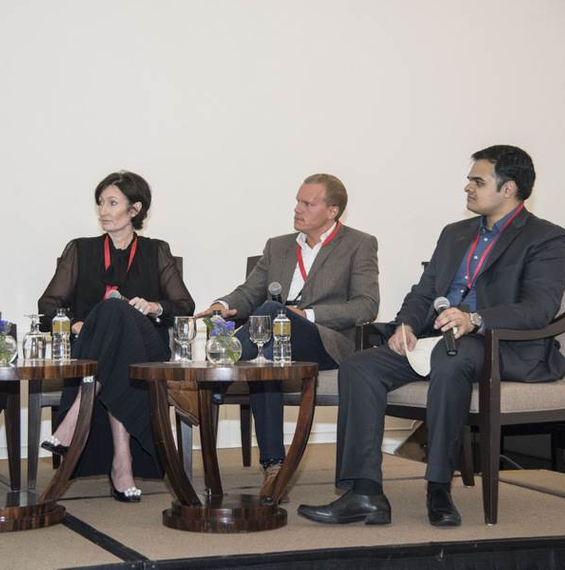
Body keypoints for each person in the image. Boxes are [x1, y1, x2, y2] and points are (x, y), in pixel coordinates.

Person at [298, 145, 565, 527]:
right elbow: (423, 292)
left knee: (451, 359)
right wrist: (406, 325)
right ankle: (364, 492)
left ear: (508, 189)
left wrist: (474, 318)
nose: (467, 188)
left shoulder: (545, 238)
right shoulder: (455, 234)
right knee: (360, 367)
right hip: (435, 339)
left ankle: (438, 486)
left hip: (498, 345)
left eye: (478, 181)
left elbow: (538, 308)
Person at [196, 173, 379, 490]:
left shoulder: (359, 244)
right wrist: (221, 304)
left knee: (270, 312)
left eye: (308, 203)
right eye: (297, 201)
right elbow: (249, 292)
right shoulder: (278, 246)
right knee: (266, 353)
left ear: (332, 211)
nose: (298, 209)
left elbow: (366, 306)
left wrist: (304, 314)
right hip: (271, 341)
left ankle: (214, 380)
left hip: (323, 340)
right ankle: (273, 465)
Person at [38, 170, 194, 502]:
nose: (103, 211)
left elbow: (185, 306)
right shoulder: (80, 250)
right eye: (100, 203)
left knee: (115, 310)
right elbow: (47, 305)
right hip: (93, 347)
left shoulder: (156, 251)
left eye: (112, 203)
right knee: (111, 312)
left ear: (134, 210)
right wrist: (81, 326)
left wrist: (153, 306)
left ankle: (76, 415)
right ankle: (122, 461)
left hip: (147, 347)